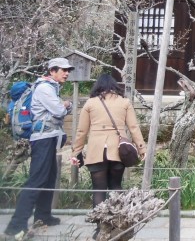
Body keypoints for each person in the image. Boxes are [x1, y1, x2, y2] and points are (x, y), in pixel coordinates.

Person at [4, 58, 74, 237]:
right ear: (52, 71)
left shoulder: (51, 87)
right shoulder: (44, 88)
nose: (67, 73)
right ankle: (16, 225)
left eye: (68, 70)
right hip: (42, 138)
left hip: (49, 137)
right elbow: (59, 111)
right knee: (37, 180)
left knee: (49, 178)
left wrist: (65, 106)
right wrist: (65, 105)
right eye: (63, 70)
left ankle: (43, 216)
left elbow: (61, 110)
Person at [71, 74, 146, 209]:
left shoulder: (90, 103)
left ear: (98, 86)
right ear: (114, 86)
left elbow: (81, 131)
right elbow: (133, 127)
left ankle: (99, 221)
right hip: (118, 149)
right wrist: (141, 148)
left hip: (96, 150)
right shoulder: (124, 102)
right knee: (116, 186)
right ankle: (118, 218)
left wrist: (76, 152)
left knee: (98, 189)